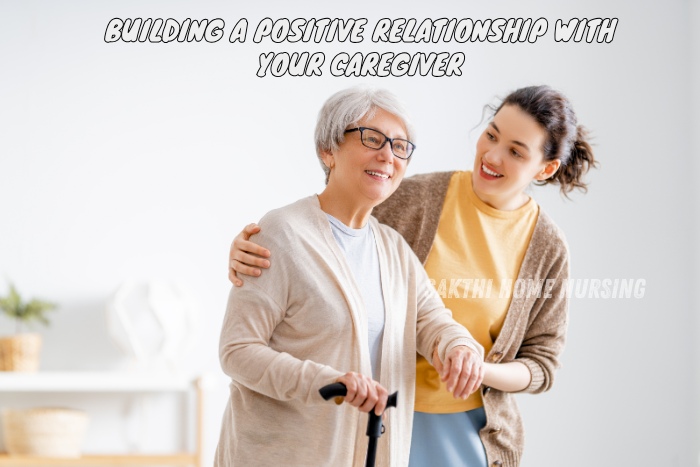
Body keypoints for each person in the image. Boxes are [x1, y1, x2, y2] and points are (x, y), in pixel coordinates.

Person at [228, 85, 597, 467]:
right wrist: (254, 244)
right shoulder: (412, 197)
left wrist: (469, 359)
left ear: (546, 167)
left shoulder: (544, 246)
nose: (492, 155)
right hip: (361, 415)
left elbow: (441, 322)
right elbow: (322, 234)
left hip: (451, 425)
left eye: (516, 151)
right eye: (491, 135)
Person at [215, 86, 484, 467]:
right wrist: (330, 382)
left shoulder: (394, 250)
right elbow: (237, 351)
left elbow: (434, 322)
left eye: (400, 146)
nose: (388, 155)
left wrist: (459, 348)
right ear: (329, 150)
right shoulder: (281, 233)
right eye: (372, 139)